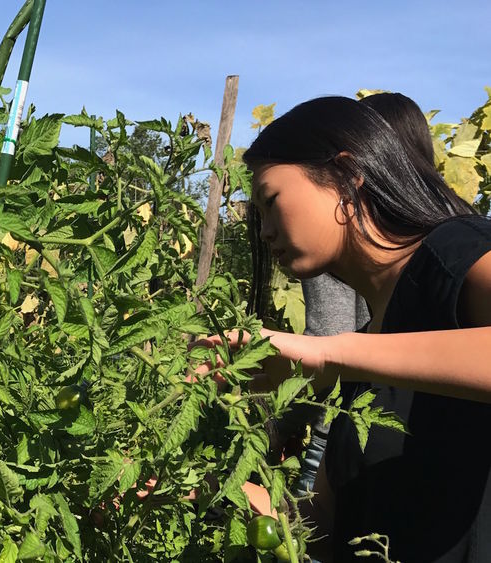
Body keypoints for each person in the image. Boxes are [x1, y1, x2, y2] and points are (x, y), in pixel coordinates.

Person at [193, 95, 491, 562]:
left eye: (271, 202)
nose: (265, 230)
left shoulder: (452, 253)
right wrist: (209, 492)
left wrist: (331, 354)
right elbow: (330, 527)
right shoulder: (370, 344)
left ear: (348, 177)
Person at [276, 93, 436, 498]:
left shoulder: (339, 236)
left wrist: (273, 429)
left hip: (350, 436)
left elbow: (325, 339)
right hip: (424, 445)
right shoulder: (430, 239)